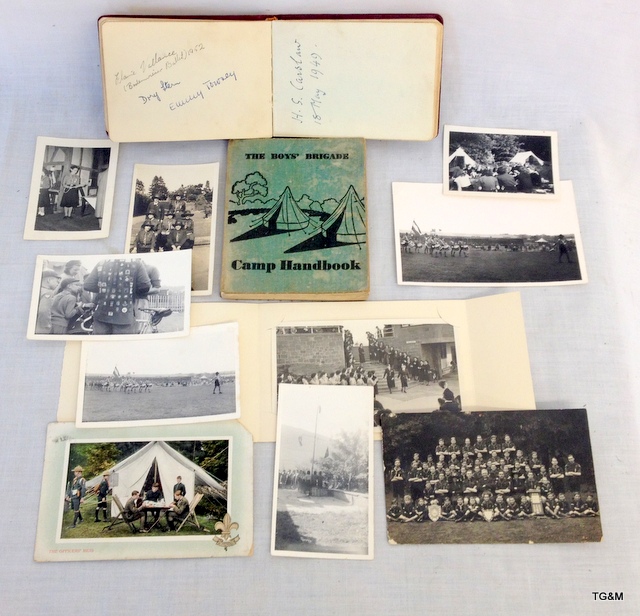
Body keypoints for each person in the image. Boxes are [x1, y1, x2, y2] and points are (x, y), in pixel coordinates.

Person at [83, 258, 151, 334]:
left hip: (101, 315)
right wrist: (130, 292)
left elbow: (88, 285)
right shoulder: (136, 262)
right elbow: (145, 286)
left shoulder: (102, 262)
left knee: (100, 344)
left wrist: (106, 290)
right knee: (121, 345)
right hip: (124, 316)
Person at [35, 269, 61, 334]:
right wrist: (46, 325)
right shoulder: (48, 293)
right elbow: (44, 311)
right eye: (57, 281)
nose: (58, 284)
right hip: (40, 327)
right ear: (49, 280)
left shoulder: (37, 290)